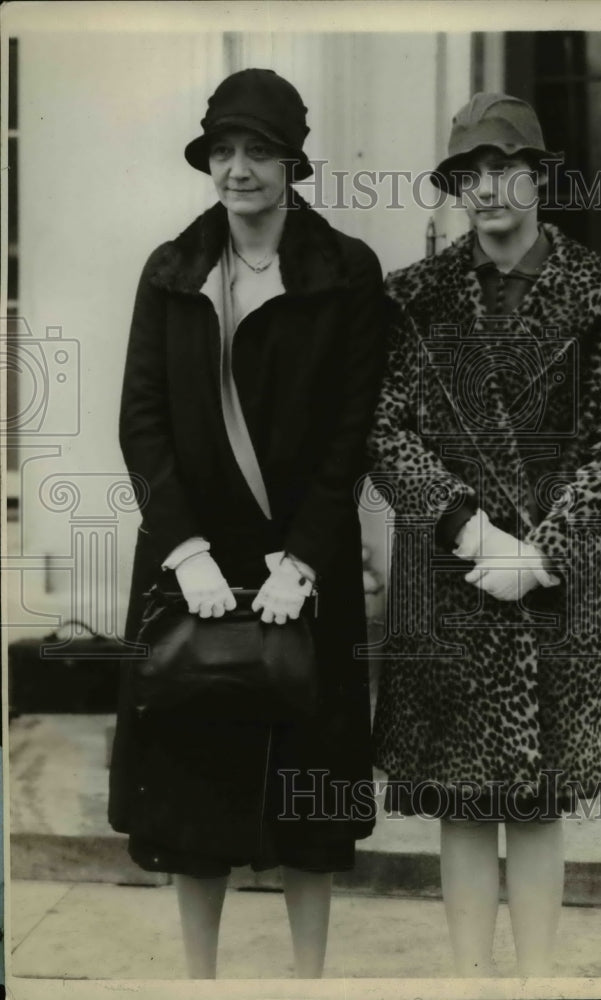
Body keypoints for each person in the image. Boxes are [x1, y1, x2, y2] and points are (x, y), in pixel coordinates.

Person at [368, 93, 601, 977]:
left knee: (536, 800)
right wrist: (468, 531)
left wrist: (535, 554)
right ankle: (467, 983)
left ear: (539, 177)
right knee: (459, 797)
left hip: (550, 587)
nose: (485, 190)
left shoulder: (600, 303)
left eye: (502, 170)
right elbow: (385, 430)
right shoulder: (416, 300)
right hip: (449, 578)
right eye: (467, 176)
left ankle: (534, 984)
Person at [108, 68, 387, 980]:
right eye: (223, 152)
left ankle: (308, 982)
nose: (238, 171)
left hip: (301, 567)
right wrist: (183, 550)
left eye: (258, 151)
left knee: (309, 799)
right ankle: (201, 983)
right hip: (192, 568)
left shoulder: (344, 271)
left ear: (293, 163)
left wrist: (303, 560)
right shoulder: (172, 268)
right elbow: (142, 420)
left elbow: (353, 428)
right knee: (192, 795)